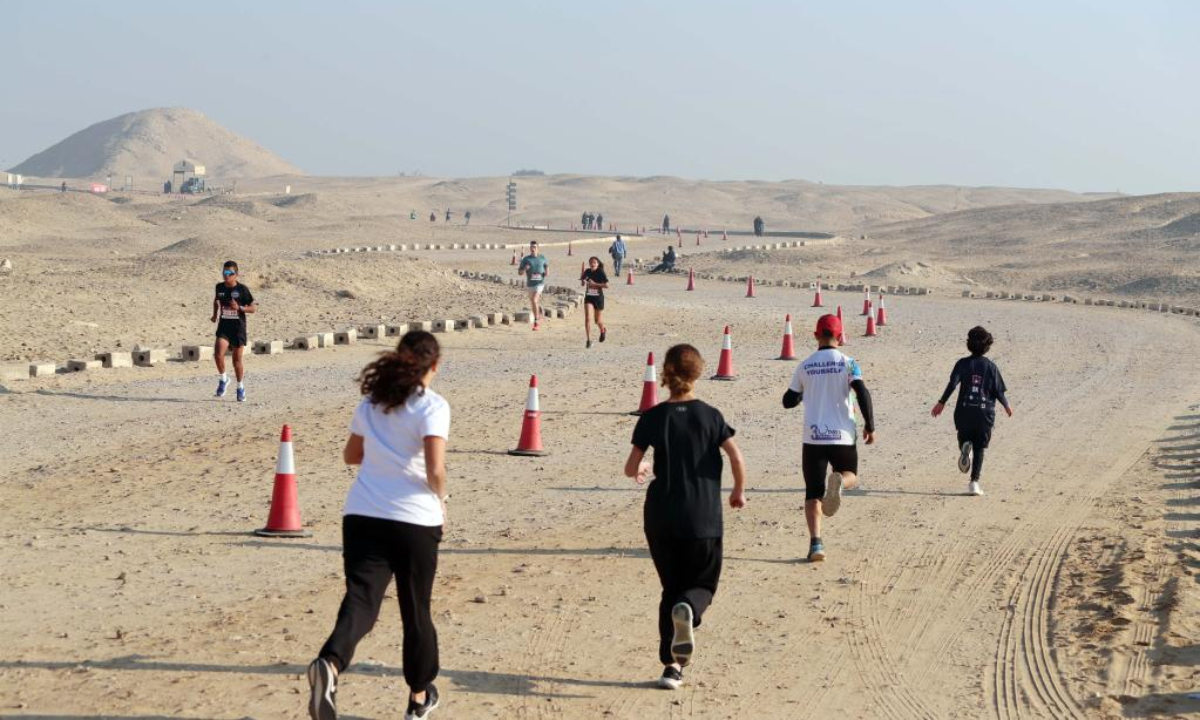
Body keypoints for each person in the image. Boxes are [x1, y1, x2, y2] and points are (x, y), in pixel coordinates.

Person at [308, 330, 449, 720]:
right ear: (434, 366)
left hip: (363, 514)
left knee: (361, 599)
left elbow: (351, 456)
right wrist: (442, 499)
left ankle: (331, 664)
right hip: (414, 519)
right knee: (415, 609)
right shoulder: (432, 407)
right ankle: (419, 698)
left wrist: (382, 453)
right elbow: (435, 468)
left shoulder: (372, 403)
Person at [624, 344, 747, 691]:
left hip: (661, 515)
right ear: (698, 373)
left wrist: (646, 466)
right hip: (702, 516)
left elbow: (631, 468)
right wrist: (738, 490)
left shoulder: (652, 417)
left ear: (665, 374)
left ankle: (671, 667)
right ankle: (689, 609)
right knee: (702, 585)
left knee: (671, 587)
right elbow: (736, 457)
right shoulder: (711, 416)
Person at [782, 314, 876, 562]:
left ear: (816, 336)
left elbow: (787, 401)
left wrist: (804, 393)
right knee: (851, 475)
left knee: (813, 493)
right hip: (842, 435)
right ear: (840, 337)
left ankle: (816, 544)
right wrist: (870, 426)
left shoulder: (805, 365)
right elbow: (862, 392)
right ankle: (840, 483)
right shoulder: (849, 363)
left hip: (813, 438)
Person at [931, 326, 1013, 496]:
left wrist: (941, 403)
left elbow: (953, 384)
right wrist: (1006, 405)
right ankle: (974, 483)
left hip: (964, 412)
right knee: (980, 448)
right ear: (987, 346)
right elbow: (998, 391)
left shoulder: (962, 364)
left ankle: (964, 447)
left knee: (964, 437)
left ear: (969, 344)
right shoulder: (991, 367)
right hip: (984, 414)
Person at [210, 260, 257, 402]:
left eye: (230, 273)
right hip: (224, 327)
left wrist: (240, 308)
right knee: (218, 354)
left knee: (237, 361)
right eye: (225, 273)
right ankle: (224, 379)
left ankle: (240, 387)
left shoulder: (242, 290)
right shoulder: (219, 287)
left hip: (238, 329)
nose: (227, 276)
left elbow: (253, 308)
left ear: (236, 275)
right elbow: (216, 300)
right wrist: (214, 314)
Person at [517, 240, 549, 331]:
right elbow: (519, 272)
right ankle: (539, 312)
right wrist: (524, 269)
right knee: (533, 302)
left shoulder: (542, 257)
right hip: (530, 284)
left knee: (534, 300)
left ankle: (536, 322)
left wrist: (547, 272)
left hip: (540, 284)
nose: (532, 249)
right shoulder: (526, 259)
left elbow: (546, 265)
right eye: (531, 247)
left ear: (538, 248)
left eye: (534, 247)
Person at [580, 256, 609, 348]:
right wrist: (582, 279)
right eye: (591, 262)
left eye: (594, 262)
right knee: (588, 318)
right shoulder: (587, 271)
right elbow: (582, 283)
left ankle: (603, 330)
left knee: (597, 321)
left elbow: (607, 285)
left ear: (597, 264)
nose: (592, 264)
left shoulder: (600, 272)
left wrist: (595, 284)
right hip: (589, 298)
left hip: (598, 299)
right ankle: (588, 340)